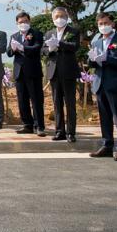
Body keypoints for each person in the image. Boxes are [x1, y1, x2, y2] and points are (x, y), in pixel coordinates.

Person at [87, 12, 117, 161]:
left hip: (115, 84)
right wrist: (91, 60)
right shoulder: (96, 42)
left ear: (113, 24)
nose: (103, 26)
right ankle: (107, 145)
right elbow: (92, 63)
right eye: (100, 24)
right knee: (104, 117)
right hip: (99, 84)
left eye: (106, 23)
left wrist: (107, 58)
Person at [42, 7, 80, 142]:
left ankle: (71, 133)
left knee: (70, 104)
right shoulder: (49, 33)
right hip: (54, 72)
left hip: (68, 72)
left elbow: (74, 46)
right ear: (53, 18)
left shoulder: (73, 31)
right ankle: (59, 131)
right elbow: (43, 50)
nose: (60, 19)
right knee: (57, 103)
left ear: (67, 17)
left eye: (62, 16)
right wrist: (50, 49)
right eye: (57, 16)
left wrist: (59, 43)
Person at [6, 12, 46, 137]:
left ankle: (39, 126)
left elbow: (37, 47)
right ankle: (27, 124)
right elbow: (9, 52)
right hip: (19, 72)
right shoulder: (14, 36)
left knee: (36, 100)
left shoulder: (36, 34)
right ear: (17, 23)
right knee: (22, 100)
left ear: (29, 21)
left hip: (33, 71)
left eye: (25, 21)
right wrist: (13, 49)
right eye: (20, 22)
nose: (23, 24)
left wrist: (22, 47)